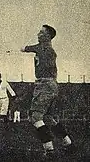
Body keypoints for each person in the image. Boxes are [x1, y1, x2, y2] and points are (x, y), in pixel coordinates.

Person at [21, 24, 76, 158]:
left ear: (47, 36)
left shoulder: (45, 48)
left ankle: (49, 150)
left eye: (41, 32)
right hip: (50, 85)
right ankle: (68, 144)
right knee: (48, 118)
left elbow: (31, 48)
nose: (38, 34)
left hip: (44, 85)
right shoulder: (47, 49)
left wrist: (25, 48)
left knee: (35, 117)